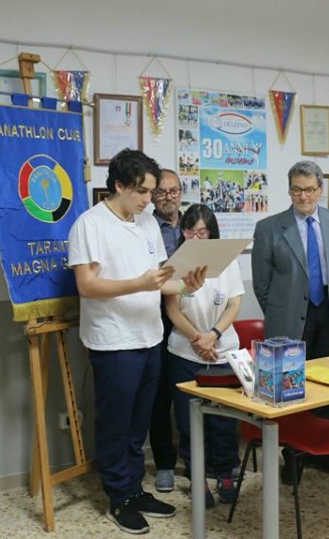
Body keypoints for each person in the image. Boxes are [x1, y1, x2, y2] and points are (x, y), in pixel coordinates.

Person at [67, 148, 205, 534]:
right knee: (116, 423)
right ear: (119, 185)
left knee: (138, 423)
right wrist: (138, 283)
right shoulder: (90, 224)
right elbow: (87, 285)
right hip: (113, 341)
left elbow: (161, 281)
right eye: (142, 191)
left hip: (150, 336)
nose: (149, 200)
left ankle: (134, 489)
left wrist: (188, 287)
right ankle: (118, 497)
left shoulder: (146, 224)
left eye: (152, 191)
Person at [251, 160, 329, 478]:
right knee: (290, 390)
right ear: (289, 190)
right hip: (289, 319)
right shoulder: (269, 228)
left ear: (320, 189)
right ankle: (293, 454)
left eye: (309, 189)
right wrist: (279, 311)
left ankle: (319, 449)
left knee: (326, 386)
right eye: (296, 189)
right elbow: (261, 284)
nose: (303, 196)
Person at [165, 205, 242, 509]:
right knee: (188, 423)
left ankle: (224, 473)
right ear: (182, 232)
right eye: (189, 232)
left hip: (222, 351)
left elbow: (234, 303)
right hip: (185, 352)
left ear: (212, 233)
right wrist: (199, 339)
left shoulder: (228, 262)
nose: (195, 238)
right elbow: (173, 310)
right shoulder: (175, 263)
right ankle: (197, 477)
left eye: (202, 232)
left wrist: (213, 334)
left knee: (224, 421)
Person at [149, 169, 182, 493]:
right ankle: (164, 464)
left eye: (174, 191)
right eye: (161, 192)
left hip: (193, 316)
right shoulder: (145, 228)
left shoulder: (195, 225)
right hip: (156, 317)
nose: (168, 197)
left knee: (190, 391)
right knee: (159, 394)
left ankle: (196, 457)